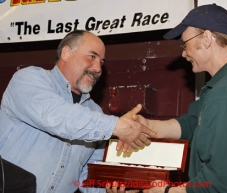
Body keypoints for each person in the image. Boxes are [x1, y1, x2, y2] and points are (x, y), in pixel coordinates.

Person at [107, 3, 227, 193]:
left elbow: (221, 183)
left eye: (185, 44)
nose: (184, 52)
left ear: (207, 38)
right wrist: (147, 127)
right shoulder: (225, 86)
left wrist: (166, 191)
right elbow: (193, 124)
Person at [0, 30, 157, 193]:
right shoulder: (29, 79)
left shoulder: (94, 112)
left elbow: (88, 177)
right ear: (66, 53)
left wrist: (113, 188)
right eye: (92, 56)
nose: (98, 68)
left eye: (101, 62)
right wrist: (116, 126)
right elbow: (59, 117)